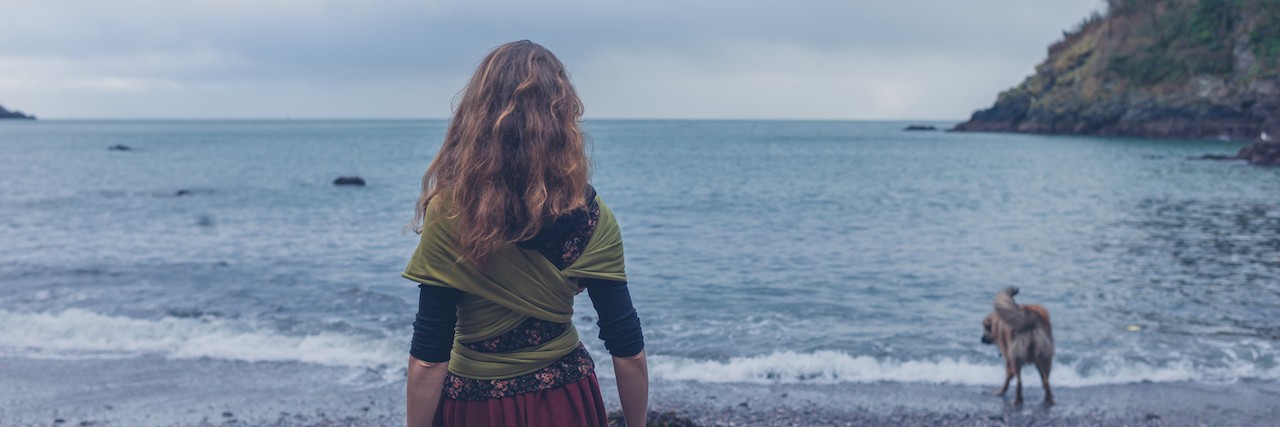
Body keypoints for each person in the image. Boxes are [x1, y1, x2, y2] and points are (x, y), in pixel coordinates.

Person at [402, 40, 649, 427]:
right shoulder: (594, 218)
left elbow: (429, 358)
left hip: (476, 407)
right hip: (567, 400)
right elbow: (628, 350)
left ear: (477, 116)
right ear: (562, 121)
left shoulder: (449, 214)